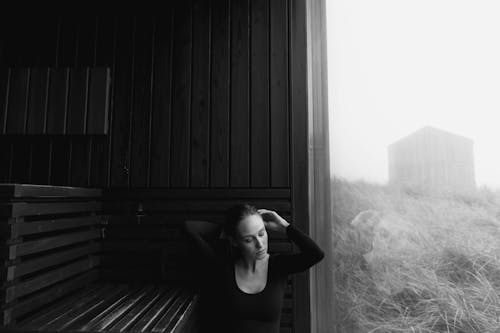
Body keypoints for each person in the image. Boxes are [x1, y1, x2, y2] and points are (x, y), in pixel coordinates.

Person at [181, 203, 325, 333]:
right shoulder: (222, 267)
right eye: (249, 239)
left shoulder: (278, 266)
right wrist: (230, 231)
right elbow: (189, 227)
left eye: (262, 233)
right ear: (235, 242)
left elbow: (315, 254)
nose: (260, 244)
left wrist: (285, 227)